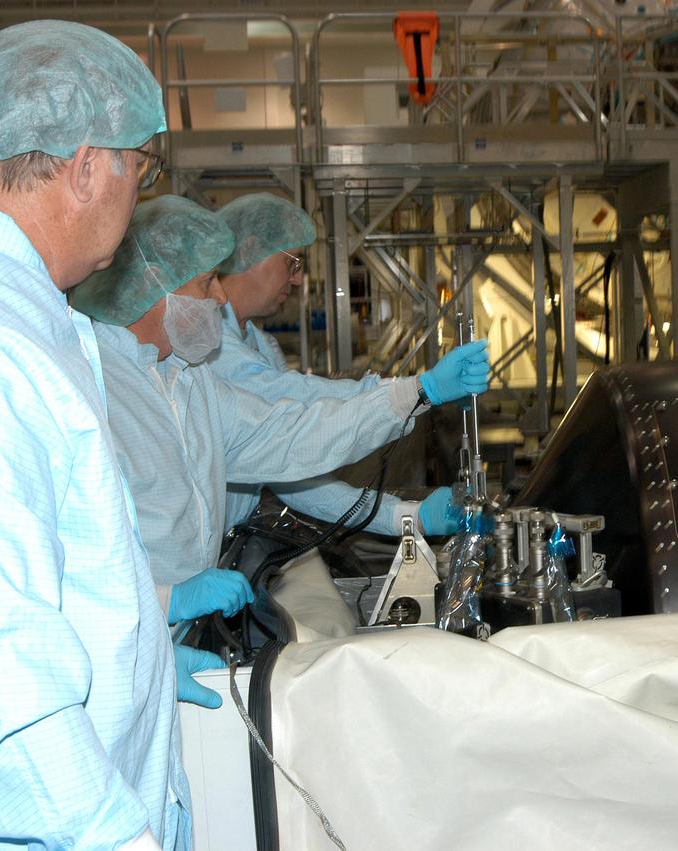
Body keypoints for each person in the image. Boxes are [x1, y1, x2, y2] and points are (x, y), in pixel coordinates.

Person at [72, 197, 469, 696]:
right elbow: (66, 563)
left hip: (172, 639)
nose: (218, 296)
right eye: (206, 282)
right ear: (156, 284)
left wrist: (413, 397)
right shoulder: (94, 386)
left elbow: (286, 438)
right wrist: (158, 603)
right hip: (109, 652)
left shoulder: (185, 380)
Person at [0, 20, 193, 850]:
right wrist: (115, 834)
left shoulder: (26, 319)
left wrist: (146, 673)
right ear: (89, 165)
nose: (139, 194)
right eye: (142, 167)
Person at [209, 192, 484, 533]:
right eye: (291, 263)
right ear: (250, 250)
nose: (296, 279)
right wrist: (417, 391)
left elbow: (290, 465)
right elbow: (297, 405)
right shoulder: (210, 348)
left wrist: (406, 517)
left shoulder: (261, 346)